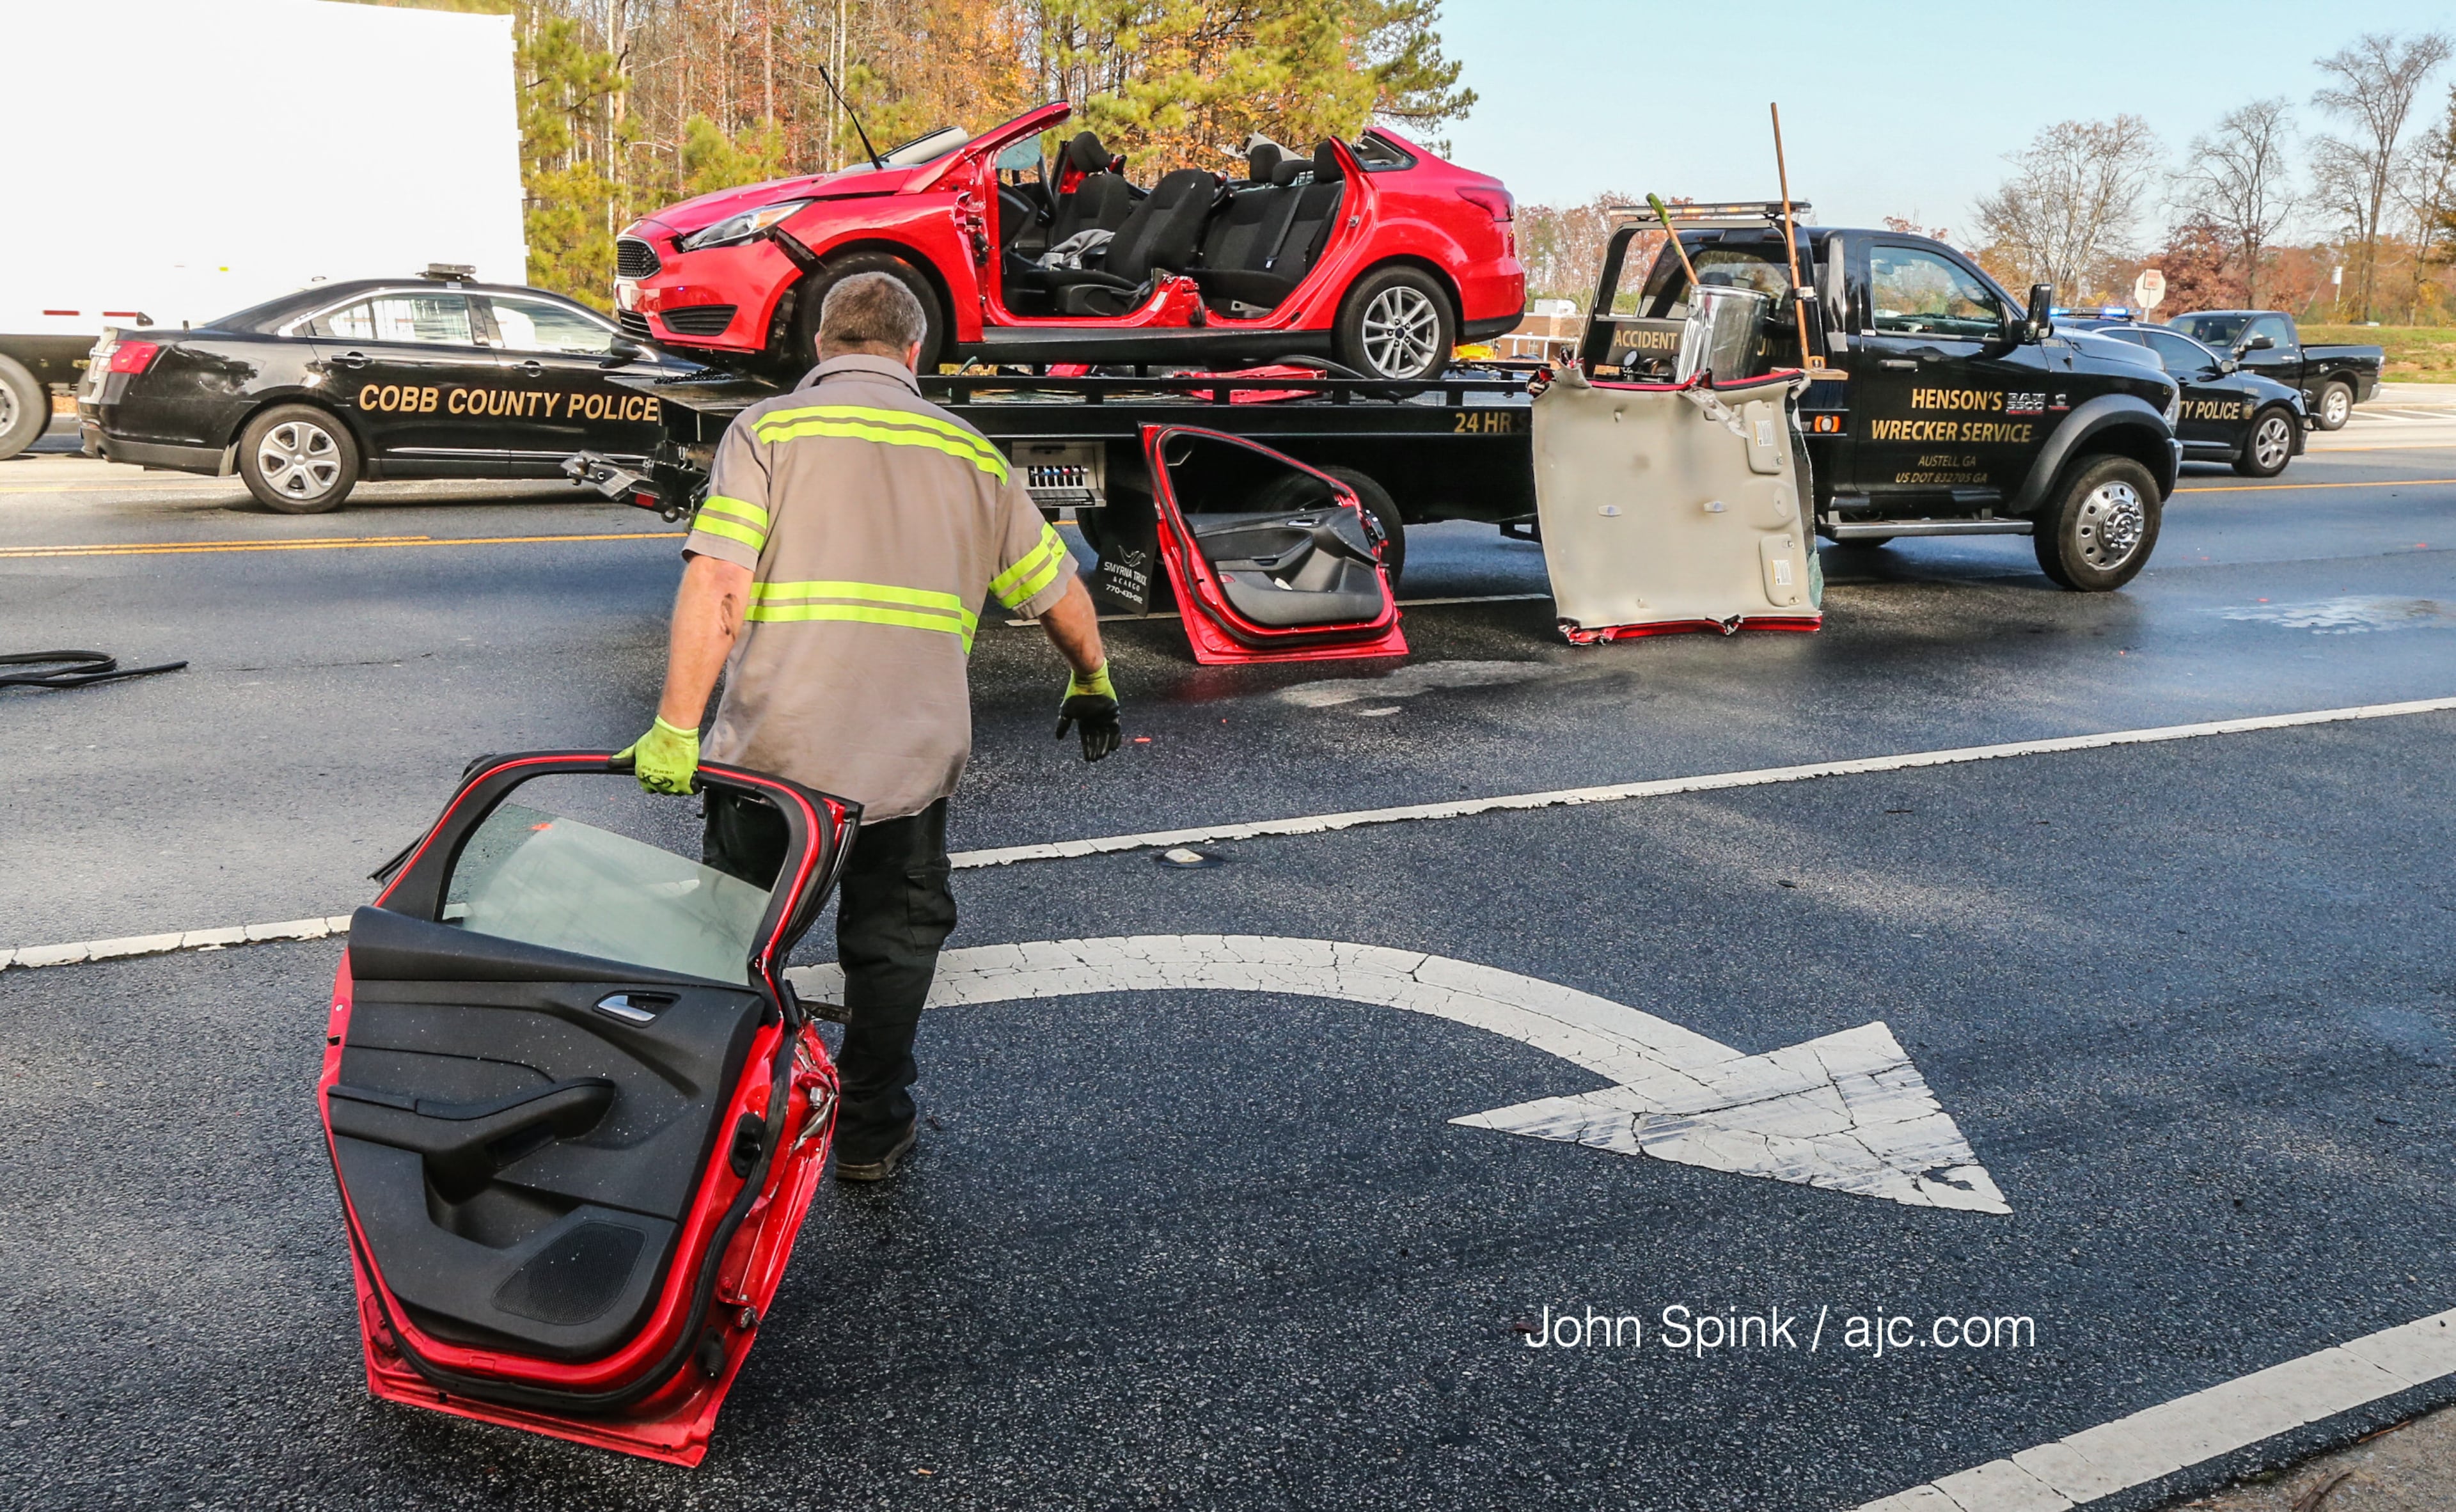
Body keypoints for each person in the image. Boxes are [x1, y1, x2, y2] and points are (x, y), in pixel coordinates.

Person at [618, 271, 1121, 1182]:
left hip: (773, 760)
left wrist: (675, 726)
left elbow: (719, 582)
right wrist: (1093, 677)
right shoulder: (973, 455)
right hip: (906, 770)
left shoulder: (767, 431)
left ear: (821, 344)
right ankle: (870, 1132)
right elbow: (1058, 594)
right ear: (914, 351)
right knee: (892, 948)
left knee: (733, 940)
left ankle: (724, 1120)